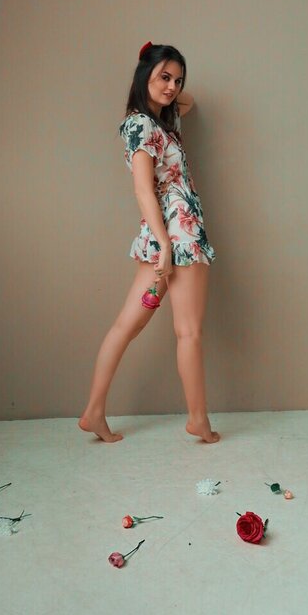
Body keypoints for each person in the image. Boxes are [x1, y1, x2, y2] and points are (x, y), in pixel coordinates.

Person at [79, 42, 219, 444]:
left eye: (178, 79)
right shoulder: (142, 124)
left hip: (163, 240)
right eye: (164, 77)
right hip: (179, 239)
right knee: (188, 332)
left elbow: (188, 101)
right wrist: (167, 246)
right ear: (144, 76)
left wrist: (161, 83)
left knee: (126, 326)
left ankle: (93, 412)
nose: (173, 87)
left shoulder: (155, 122)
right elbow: (142, 189)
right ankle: (199, 421)